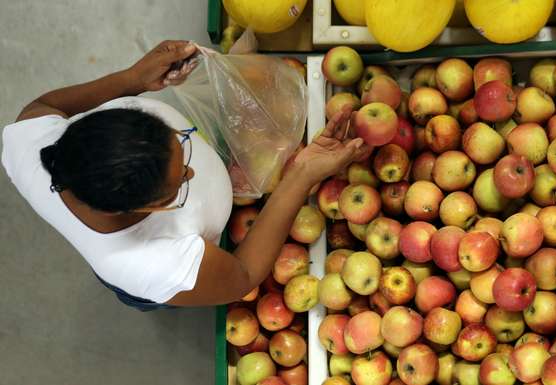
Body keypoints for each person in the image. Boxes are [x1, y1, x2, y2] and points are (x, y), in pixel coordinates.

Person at [2, 40, 367, 311]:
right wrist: (302, 174)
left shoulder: (29, 141)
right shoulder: (151, 265)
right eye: (177, 187)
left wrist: (132, 78)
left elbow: (46, 107)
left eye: (179, 144)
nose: (191, 171)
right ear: (133, 209)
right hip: (146, 282)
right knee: (144, 299)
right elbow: (241, 276)